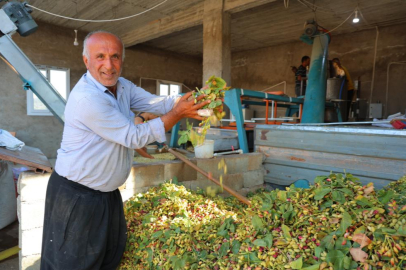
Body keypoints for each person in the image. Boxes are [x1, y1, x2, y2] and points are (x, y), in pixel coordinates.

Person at [40, 30, 210, 270]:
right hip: (77, 196)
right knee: (72, 262)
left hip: (106, 194)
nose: (109, 65)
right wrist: (178, 113)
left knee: (109, 254)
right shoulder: (87, 98)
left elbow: (155, 103)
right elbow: (133, 136)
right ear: (86, 60)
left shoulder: (122, 87)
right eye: (100, 56)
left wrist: (190, 100)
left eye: (115, 57)